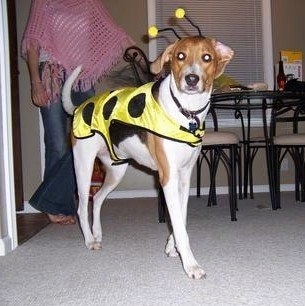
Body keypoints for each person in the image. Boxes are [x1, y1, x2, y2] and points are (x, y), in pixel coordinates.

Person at [21, 0, 133, 224]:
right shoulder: (43, 2)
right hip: (51, 73)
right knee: (57, 143)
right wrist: (35, 82)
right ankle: (59, 206)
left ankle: (51, 200)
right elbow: (33, 42)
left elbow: (107, 31)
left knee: (90, 139)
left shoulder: (89, 2)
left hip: (81, 78)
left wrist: (127, 45)